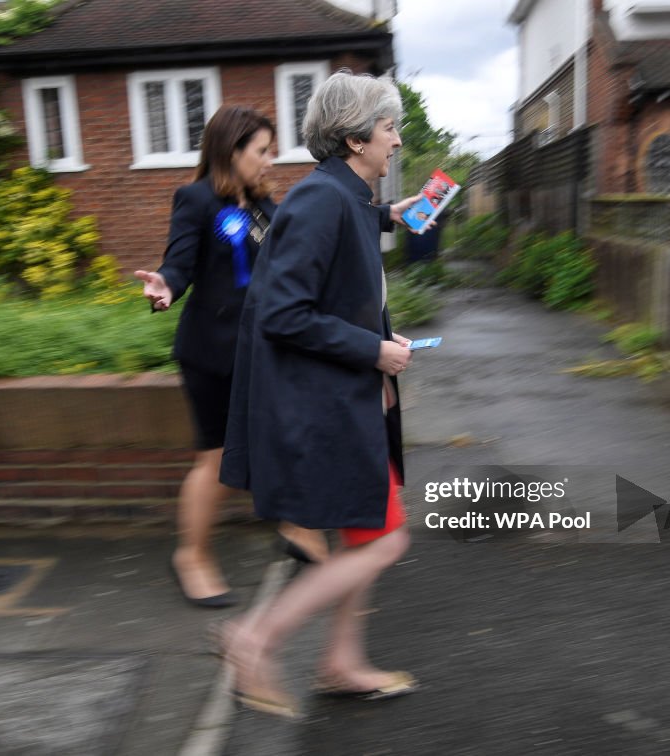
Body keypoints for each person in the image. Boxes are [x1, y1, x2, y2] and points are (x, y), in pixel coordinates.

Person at [218, 70, 425, 717]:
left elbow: (347, 296)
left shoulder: (353, 199)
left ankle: (340, 661)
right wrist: (373, 352)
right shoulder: (324, 200)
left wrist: (379, 365)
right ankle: (253, 639)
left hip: (352, 400)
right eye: (389, 127)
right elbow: (282, 312)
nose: (396, 140)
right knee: (386, 540)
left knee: (367, 539)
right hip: (322, 405)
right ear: (356, 137)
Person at [135, 106, 325, 608]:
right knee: (217, 458)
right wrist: (165, 288)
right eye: (262, 151)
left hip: (264, 350)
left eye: (271, 150)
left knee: (288, 432)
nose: (271, 161)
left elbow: (308, 237)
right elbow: (179, 263)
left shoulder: (266, 207)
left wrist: (384, 215)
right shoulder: (195, 199)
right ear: (232, 150)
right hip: (213, 353)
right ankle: (191, 556)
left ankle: (298, 524)